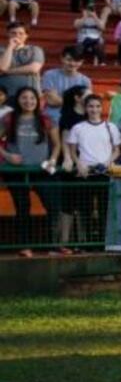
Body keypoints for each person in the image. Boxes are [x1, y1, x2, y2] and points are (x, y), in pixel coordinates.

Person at [0, 87, 60, 256]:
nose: (28, 101)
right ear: (18, 100)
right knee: (22, 207)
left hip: (41, 169)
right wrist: (7, 155)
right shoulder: (9, 118)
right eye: (24, 98)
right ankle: (24, 246)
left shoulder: (46, 119)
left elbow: (56, 145)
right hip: (17, 171)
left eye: (32, 98)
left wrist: (53, 160)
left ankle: (52, 246)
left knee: (52, 205)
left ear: (37, 100)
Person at [63, 94, 121, 245]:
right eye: (91, 106)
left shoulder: (111, 127)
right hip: (86, 173)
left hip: (105, 173)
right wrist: (78, 163)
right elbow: (72, 149)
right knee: (85, 210)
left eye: (97, 106)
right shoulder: (78, 127)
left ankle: (103, 242)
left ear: (102, 108)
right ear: (85, 108)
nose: (94, 109)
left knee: (104, 209)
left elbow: (117, 150)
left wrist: (110, 161)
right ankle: (86, 243)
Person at [41, 46, 90, 124]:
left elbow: (85, 103)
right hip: (53, 118)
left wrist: (59, 99)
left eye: (77, 61)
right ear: (62, 58)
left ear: (82, 62)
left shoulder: (85, 81)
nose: (73, 64)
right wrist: (75, 102)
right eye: (69, 60)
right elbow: (51, 101)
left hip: (75, 120)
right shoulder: (49, 75)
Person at [0, 21, 44, 100]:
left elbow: (33, 69)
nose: (17, 36)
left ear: (26, 36)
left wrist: (7, 72)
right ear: (8, 34)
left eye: (21, 33)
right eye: (13, 33)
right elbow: (2, 67)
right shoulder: (1, 50)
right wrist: (10, 47)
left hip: (29, 97)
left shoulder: (35, 49)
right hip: (4, 96)